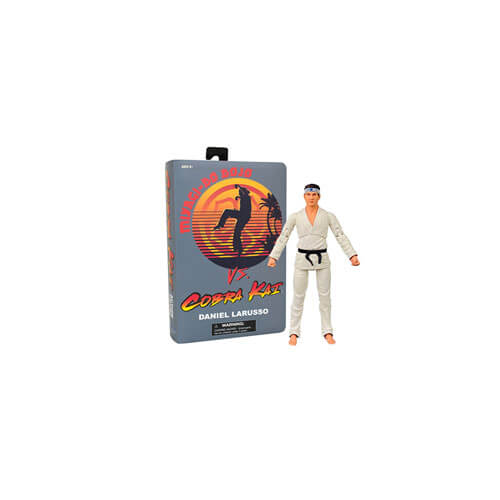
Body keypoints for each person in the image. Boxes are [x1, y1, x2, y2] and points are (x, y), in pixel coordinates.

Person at [267, 184, 359, 345]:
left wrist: (352, 255)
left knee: (325, 298)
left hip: (322, 258)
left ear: (319, 196)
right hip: (302, 258)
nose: (311, 197)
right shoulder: (296, 216)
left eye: (314, 194)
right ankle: (294, 331)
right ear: (304, 196)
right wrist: (274, 256)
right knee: (298, 297)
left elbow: (340, 235)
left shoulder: (328, 216)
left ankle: (327, 331)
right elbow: (284, 236)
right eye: (308, 194)